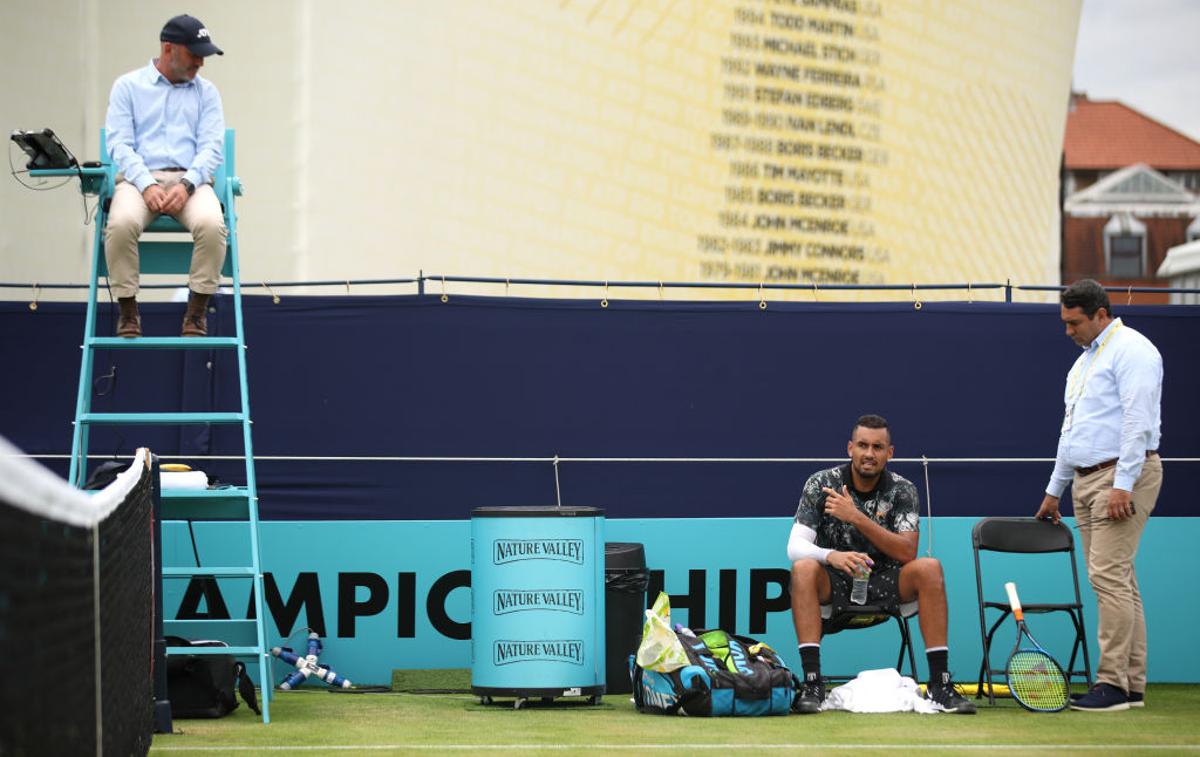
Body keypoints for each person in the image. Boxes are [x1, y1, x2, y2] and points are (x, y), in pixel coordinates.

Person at [787, 414, 975, 714]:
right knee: (803, 568)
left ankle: (939, 684)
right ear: (850, 448)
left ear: (890, 452)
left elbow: (907, 552)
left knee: (929, 568)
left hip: (886, 579)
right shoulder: (821, 483)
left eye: (877, 447)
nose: (869, 454)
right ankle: (812, 683)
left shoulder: (903, 490)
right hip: (835, 579)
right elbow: (794, 547)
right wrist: (831, 556)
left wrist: (856, 517)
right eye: (862, 445)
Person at [1035, 279, 1163, 712]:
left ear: (1101, 314)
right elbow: (1070, 432)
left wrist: (1123, 483)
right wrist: (1055, 492)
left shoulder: (1134, 350)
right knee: (1118, 579)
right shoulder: (1082, 365)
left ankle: (1111, 684)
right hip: (1087, 480)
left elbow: (1137, 422)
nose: (1068, 331)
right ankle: (1131, 685)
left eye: (1074, 323)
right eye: (1065, 322)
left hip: (1121, 476)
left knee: (1108, 578)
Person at [104, 14, 226, 338]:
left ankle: (196, 313)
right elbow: (118, 144)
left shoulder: (208, 93)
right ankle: (128, 311)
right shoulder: (128, 87)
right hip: (137, 179)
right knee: (119, 225)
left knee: (214, 226)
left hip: (192, 180)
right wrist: (145, 184)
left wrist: (187, 185)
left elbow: (212, 147)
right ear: (168, 48)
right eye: (195, 53)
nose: (201, 61)